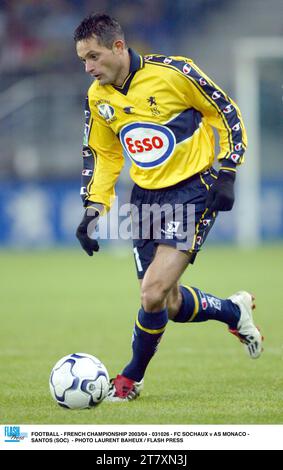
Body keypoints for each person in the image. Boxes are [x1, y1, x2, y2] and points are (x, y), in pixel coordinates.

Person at [74, 13, 263, 402]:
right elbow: (103, 155)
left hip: (192, 191)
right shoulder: (99, 98)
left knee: (152, 292)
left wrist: (227, 171)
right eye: (83, 61)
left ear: (118, 47)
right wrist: (93, 207)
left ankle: (129, 380)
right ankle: (233, 311)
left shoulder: (176, 73)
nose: (89, 68)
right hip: (144, 199)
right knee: (168, 302)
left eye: (94, 57)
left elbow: (225, 112)